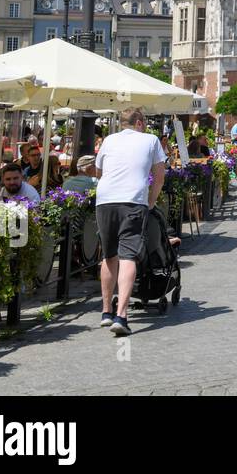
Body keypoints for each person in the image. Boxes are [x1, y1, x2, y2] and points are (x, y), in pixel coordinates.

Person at [94, 107, 167, 338]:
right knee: (128, 256)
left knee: (108, 255)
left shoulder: (108, 140)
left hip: (105, 200)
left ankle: (106, 311)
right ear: (138, 122)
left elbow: (98, 172)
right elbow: (159, 176)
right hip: (133, 200)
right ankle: (121, 315)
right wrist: (151, 201)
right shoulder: (151, 140)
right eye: (144, 122)